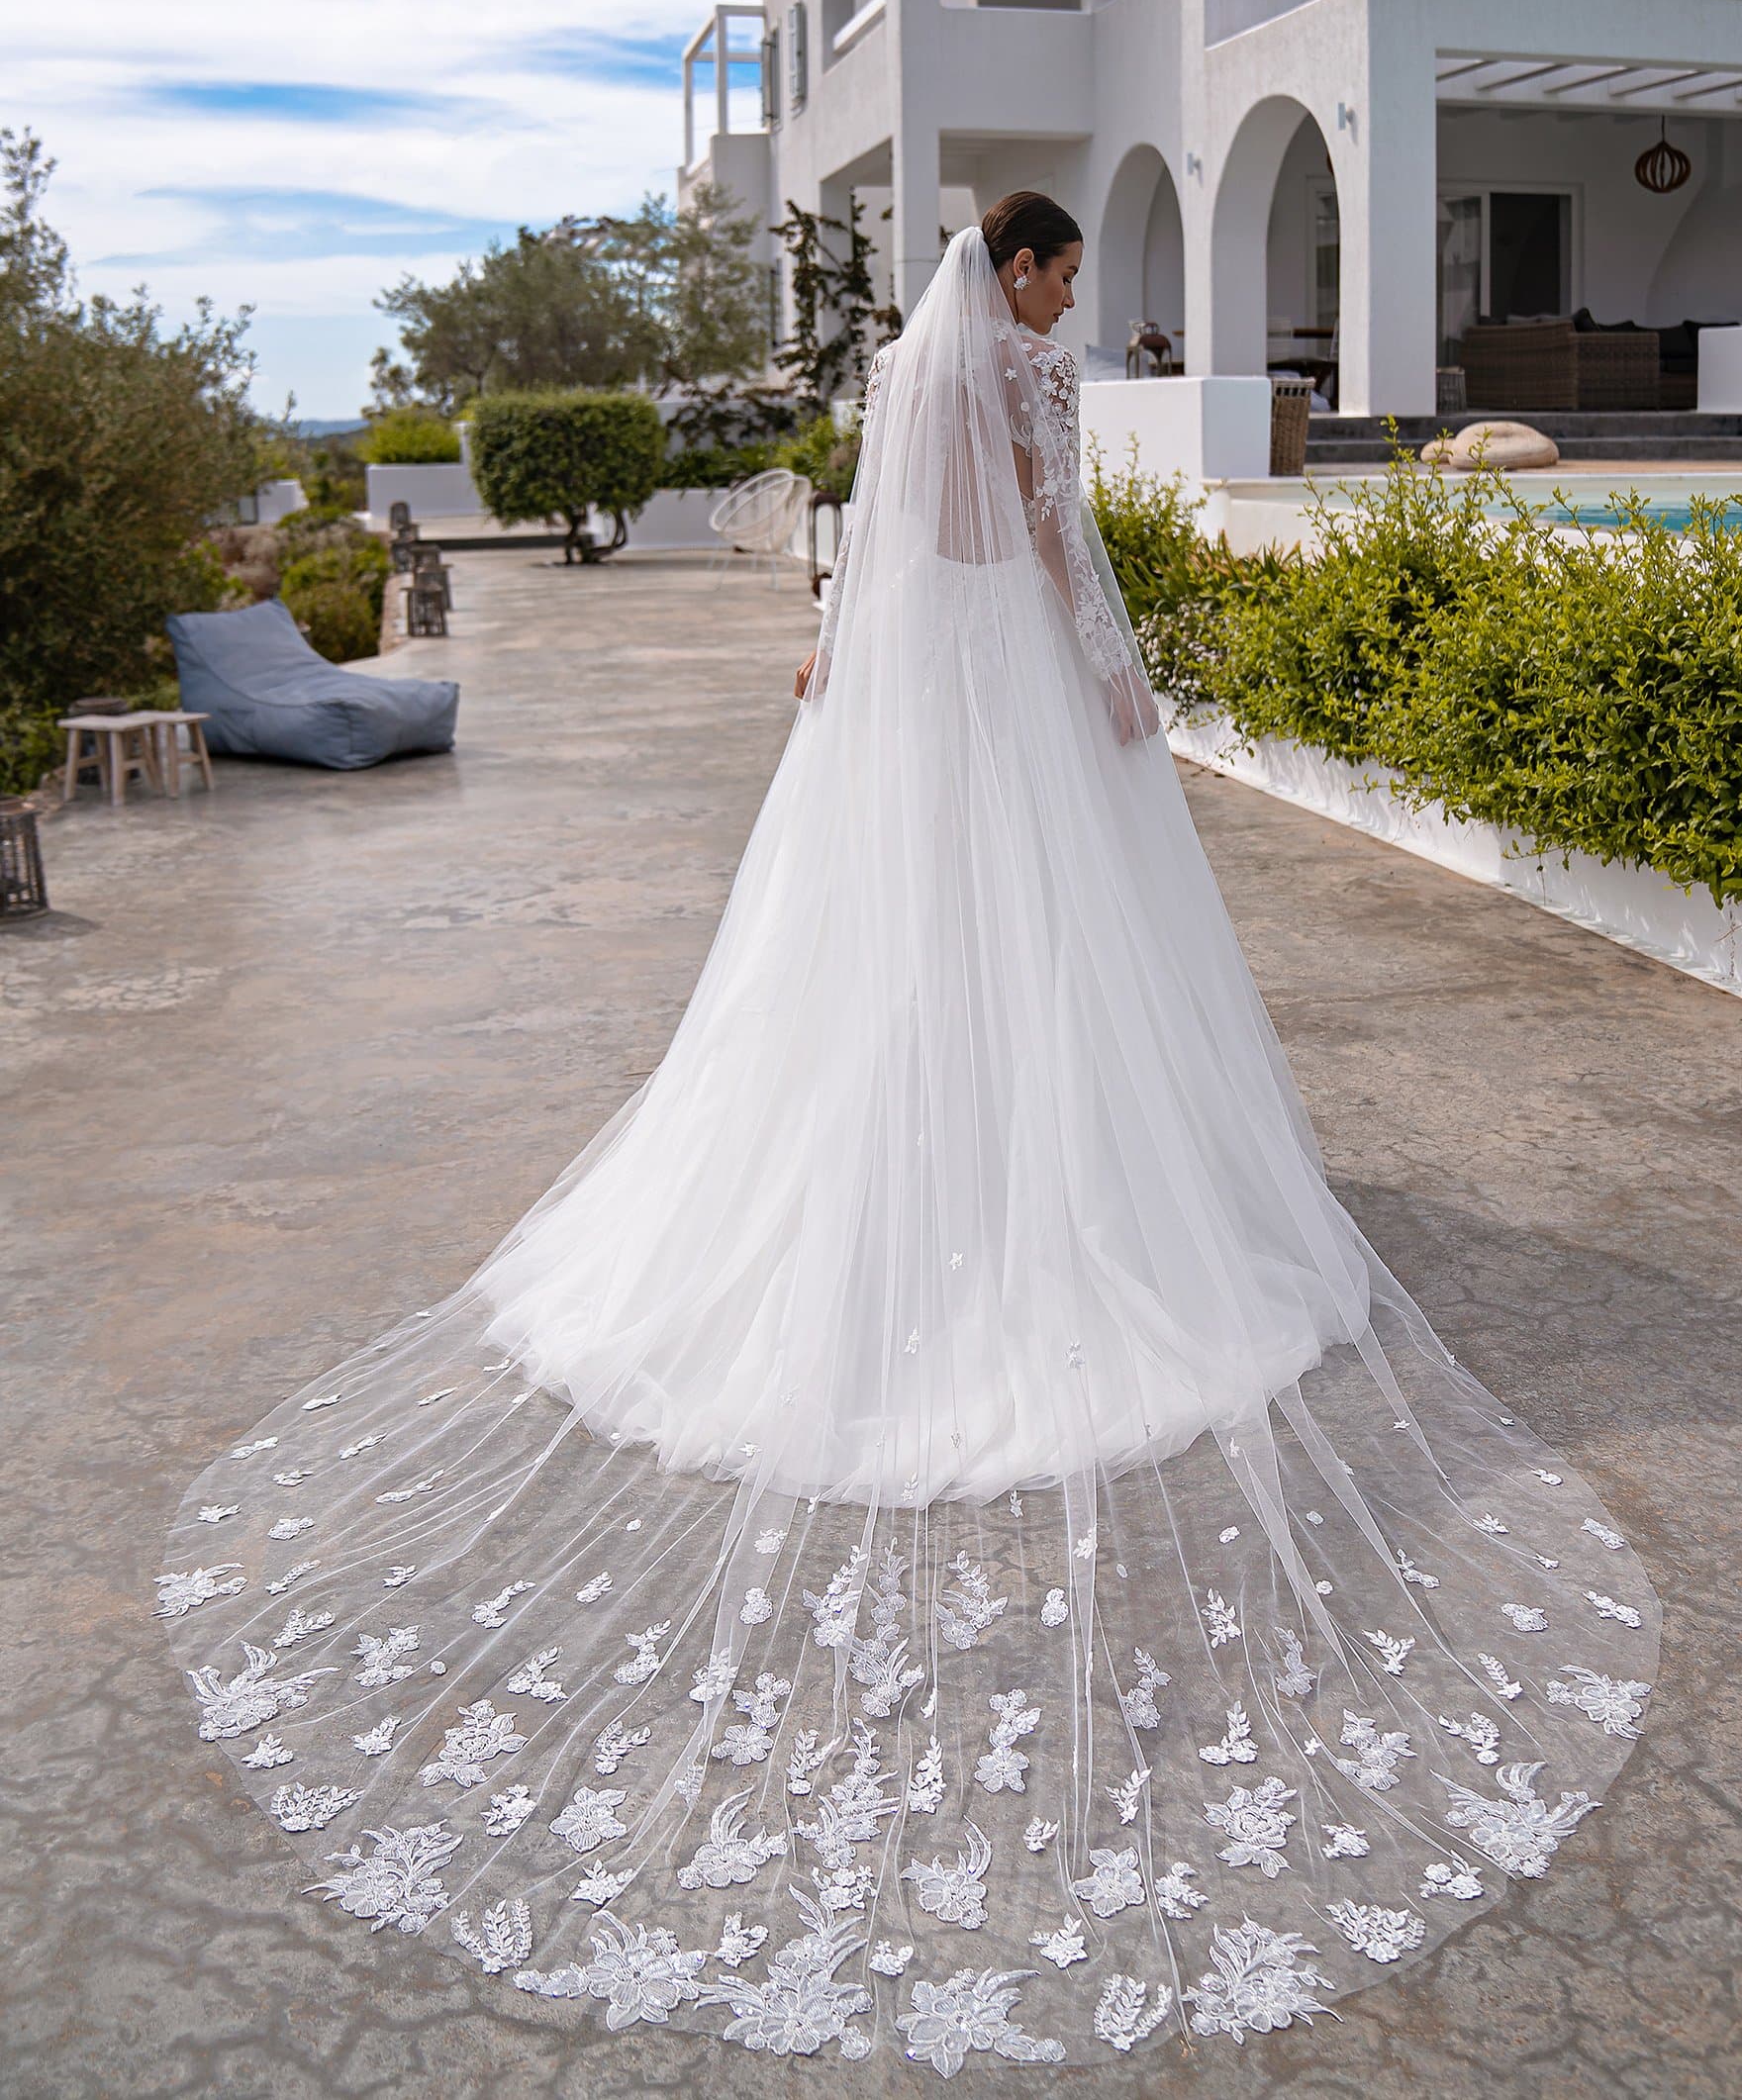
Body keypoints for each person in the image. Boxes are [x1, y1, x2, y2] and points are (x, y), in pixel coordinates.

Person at [159, 193, 1657, 2072]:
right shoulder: (1014, 371)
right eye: (1058, 279)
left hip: (907, 680)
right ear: (1016, 278)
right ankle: (1041, 1176)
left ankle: (953, 1144)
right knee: (1035, 929)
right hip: (1000, 677)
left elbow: (882, 538)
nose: (1064, 308)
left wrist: (835, 655)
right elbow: (1048, 537)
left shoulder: (908, 367)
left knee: (907, 938)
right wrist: (1108, 670)